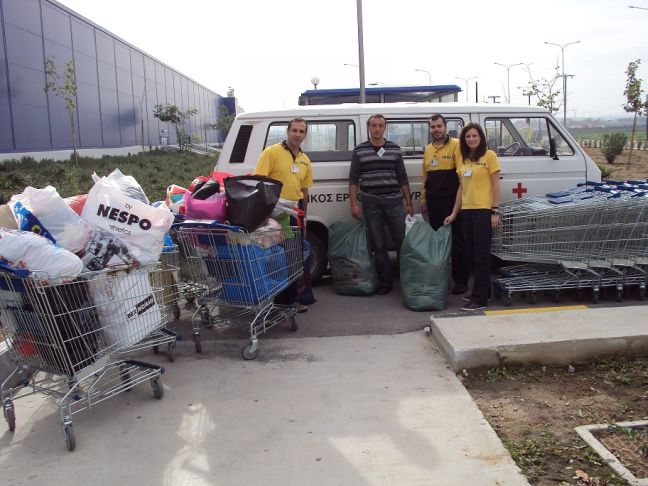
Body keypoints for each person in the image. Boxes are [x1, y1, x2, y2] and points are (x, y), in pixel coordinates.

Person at [253, 116, 314, 312]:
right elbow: (259, 182)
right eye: (294, 130)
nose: (297, 134)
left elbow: (304, 191)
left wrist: (304, 217)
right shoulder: (272, 152)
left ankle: (291, 299)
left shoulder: (305, 160)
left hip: (293, 215)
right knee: (275, 257)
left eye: (301, 131)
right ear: (287, 131)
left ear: (305, 135)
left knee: (293, 256)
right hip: (275, 214)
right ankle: (279, 299)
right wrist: (264, 214)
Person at [349, 114, 413, 295]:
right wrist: (353, 204)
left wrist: (408, 203)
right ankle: (385, 283)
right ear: (368, 128)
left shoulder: (394, 149)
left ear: (386, 127)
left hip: (394, 203)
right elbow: (353, 179)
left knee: (403, 243)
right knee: (379, 246)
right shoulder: (360, 150)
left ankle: (407, 280)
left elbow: (402, 177)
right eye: (374, 125)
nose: (377, 129)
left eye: (380, 125)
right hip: (371, 204)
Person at [444, 122, 501, 311]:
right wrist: (454, 213)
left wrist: (495, 211)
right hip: (467, 212)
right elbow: (462, 188)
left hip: (483, 211)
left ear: (481, 137)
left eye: (474, 136)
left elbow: (495, 185)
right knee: (472, 255)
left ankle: (480, 299)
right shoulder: (463, 159)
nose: (471, 139)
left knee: (481, 255)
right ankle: (483, 290)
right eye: (468, 136)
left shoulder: (490, 156)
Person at [420, 114, 469, 295]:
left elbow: (461, 176)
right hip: (434, 202)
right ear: (429, 129)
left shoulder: (456, 145)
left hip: (452, 202)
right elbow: (426, 176)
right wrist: (423, 197)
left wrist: (458, 204)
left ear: (445, 126)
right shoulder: (428, 149)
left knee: (457, 242)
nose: (436, 130)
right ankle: (441, 280)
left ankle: (461, 282)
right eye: (433, 127)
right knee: (439, 242)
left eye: (439, 126)